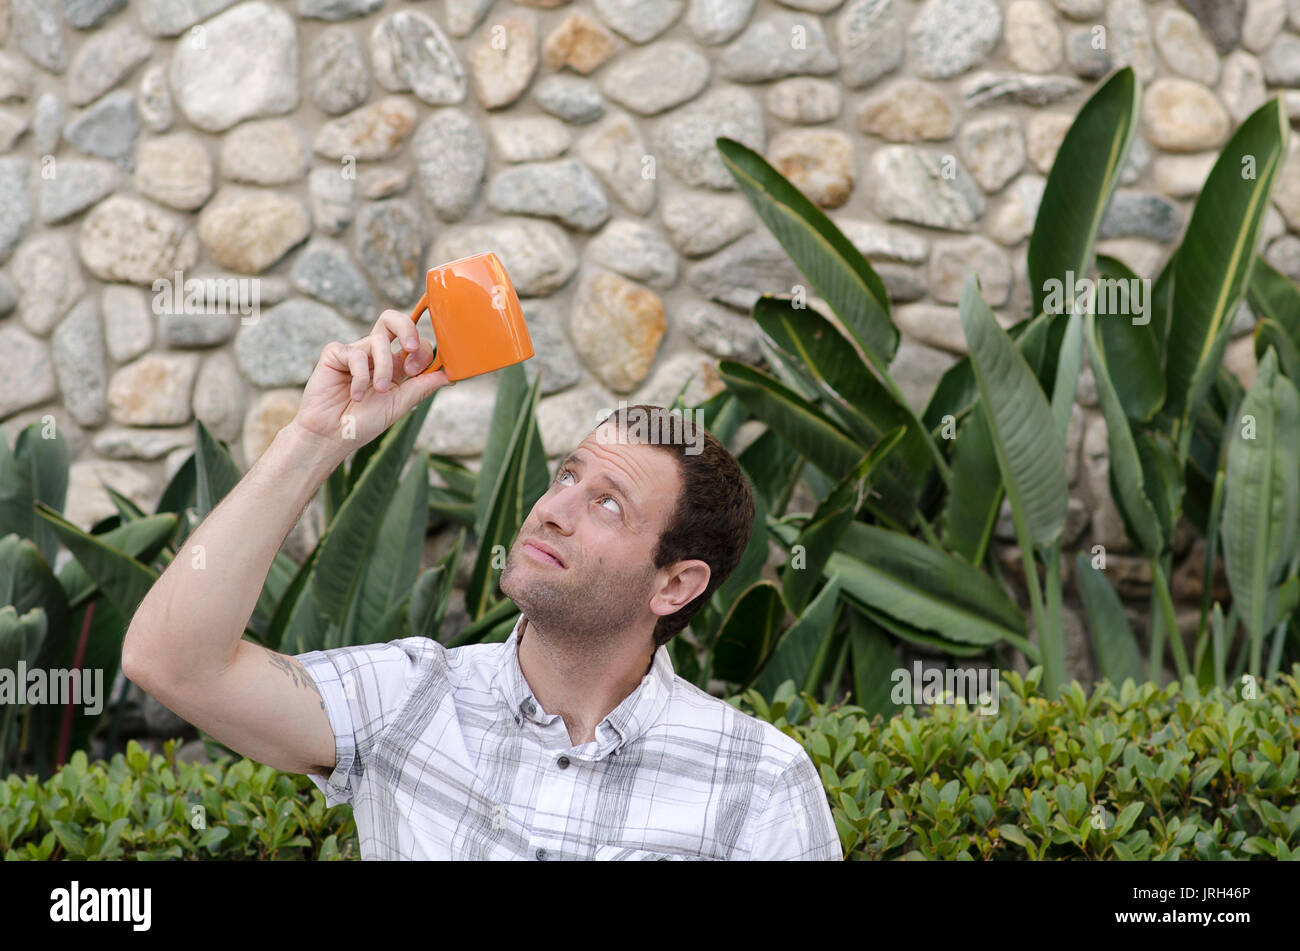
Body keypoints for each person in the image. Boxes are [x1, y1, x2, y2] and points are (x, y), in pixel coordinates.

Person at [122, 309, 842, 861]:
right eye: (568, 475)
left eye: (608, 503)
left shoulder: (758, 782)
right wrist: (320, 436)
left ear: (675, 584)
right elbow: (173, 661)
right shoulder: (407, 698)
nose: (554, 509)